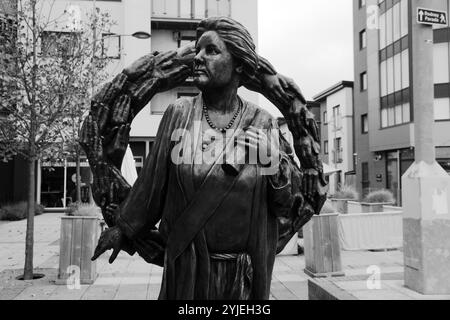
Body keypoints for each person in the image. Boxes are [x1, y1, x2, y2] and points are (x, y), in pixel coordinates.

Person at [89, 17, 326, 300]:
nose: (198, 58)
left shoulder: (262, 123)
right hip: (186, 270)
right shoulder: (179, 113)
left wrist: (274, 164)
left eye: (211, 51)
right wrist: (123, 229)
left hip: (242, 279)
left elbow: (284, 206)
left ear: (238, 64)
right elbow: (152, 187)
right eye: (198, 50)